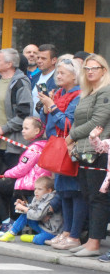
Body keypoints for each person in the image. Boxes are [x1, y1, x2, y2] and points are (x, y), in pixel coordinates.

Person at [64, 54, 110, 258]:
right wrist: (72, 141)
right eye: (87, 68)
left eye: (95, 68)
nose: (90, 71)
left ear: (104, 70)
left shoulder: (106, 91)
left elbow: (98, 121)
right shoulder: (88, 93)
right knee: (88, 196)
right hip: (83, 150)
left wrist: (71, 136)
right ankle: (90, 240)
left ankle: (94, 243)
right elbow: (78, 118)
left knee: (98, 198)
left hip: (99, 151)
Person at [41, 57, 84, 250]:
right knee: (64, 192)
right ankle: (65, 232)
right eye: (57, 72)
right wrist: (46, 105)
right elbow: (46, 120)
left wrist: (52, 105)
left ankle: (74, 235)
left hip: (70, 148)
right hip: (56, 148)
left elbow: (67, 125)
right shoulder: (58, 93)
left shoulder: (78, 96)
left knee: (75, 192)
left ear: (75, 77)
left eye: (62, 73)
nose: (57, 76)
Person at [0, 116, 49, 232]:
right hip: (36, 180)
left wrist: (5, 174)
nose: (22, 131)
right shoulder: (42, 144)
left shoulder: (34, 148)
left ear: (37, 131)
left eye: (26, 128)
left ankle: (6, 221)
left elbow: (21, 169)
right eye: (23, 128)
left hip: (30, 183)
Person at [0, 47, 33, 174]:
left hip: (10, 146)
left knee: (4, 186)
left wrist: (4, 129)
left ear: (9, 64)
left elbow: (25, 114)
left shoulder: (20, 83)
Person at [0, 176, 62, 246]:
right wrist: (24, 206)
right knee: (25, 215)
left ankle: (33, 238)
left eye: (40, 189)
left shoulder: (50, 199)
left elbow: (38, 215)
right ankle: (11, 233)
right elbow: (32, 208)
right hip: (42, 226)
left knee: (39, 240)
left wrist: (25, 209)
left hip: (52, 231)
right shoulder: (38, 196)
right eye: (35, 189)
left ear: (49, 190)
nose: (36, 191)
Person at [30, 43, 57, 115]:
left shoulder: (58, 80)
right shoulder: (33, 77)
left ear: (54, 60)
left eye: (43, 58)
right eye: (38, 58)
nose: (39, 61)